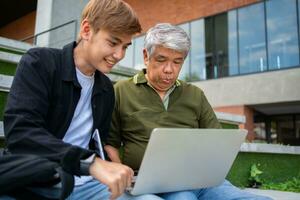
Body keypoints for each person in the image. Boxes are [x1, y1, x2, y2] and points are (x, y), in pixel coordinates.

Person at [105, 23, 272, 200]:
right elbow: (110, 144)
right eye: (161, 60)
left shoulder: (195, 94)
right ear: (146, 56)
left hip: (198, 180)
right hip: (146, 184)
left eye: (177, 62)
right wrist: (123, 178)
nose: (169, 70)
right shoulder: (121, 91)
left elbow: (216, 140)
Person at [3, 0, 143, 199]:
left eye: (125, 47)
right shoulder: (39, 62)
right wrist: (89, 162)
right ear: (87, 30)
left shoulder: (106, 89)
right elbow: (21, 133)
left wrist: (108, 160)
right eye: (113, 43)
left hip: (88, 185)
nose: (119, 55)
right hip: (34, 181)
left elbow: (96, 141)